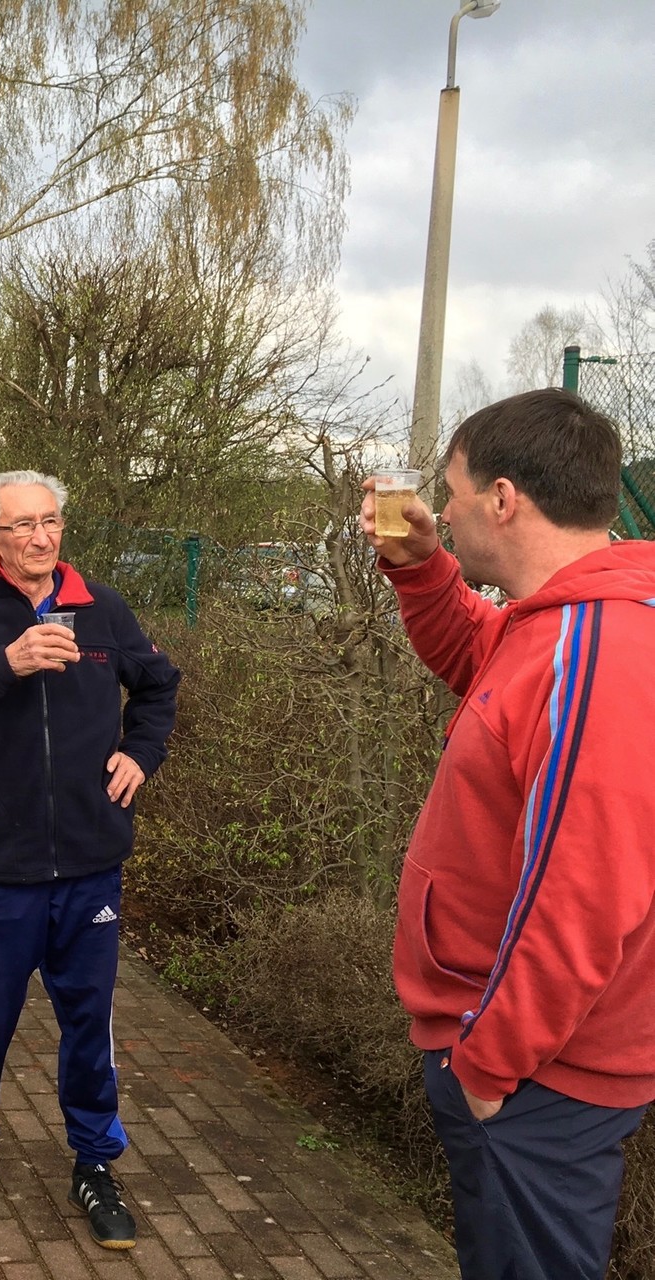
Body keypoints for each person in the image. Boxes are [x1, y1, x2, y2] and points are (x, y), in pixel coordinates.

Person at [362, 388, 655, 1280]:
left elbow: (585, 893)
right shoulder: (559, 626)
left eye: (448, 493)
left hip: (536, 1076)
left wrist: (487, 1068)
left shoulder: (597, 653)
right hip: (529, 1061)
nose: (439, 510)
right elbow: (482, 663)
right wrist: (420, 567)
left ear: (501, 498)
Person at [0, 469, 180, 1247]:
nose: (39, 537)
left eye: (49, 520)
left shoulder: (102, 609)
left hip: (91, 865)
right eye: (19, 525)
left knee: (88, 1026)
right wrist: (6, 664)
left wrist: (140, 754)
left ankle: (94, 1163)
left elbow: (158, 685)